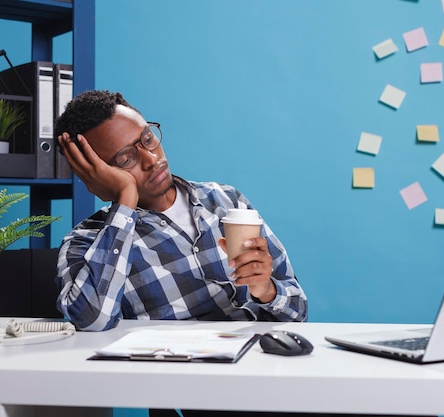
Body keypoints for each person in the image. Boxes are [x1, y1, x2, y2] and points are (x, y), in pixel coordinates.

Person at [53, 89, 311, 417]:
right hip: (199, 397)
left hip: (268, 379)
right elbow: (91, 318)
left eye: (147, 138)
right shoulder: (87, 243)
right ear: (95, 175)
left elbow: (298, 312)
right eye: (125, 160)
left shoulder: (227, 202)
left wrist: (266, 290)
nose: (151, 158)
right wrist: (124, 198)